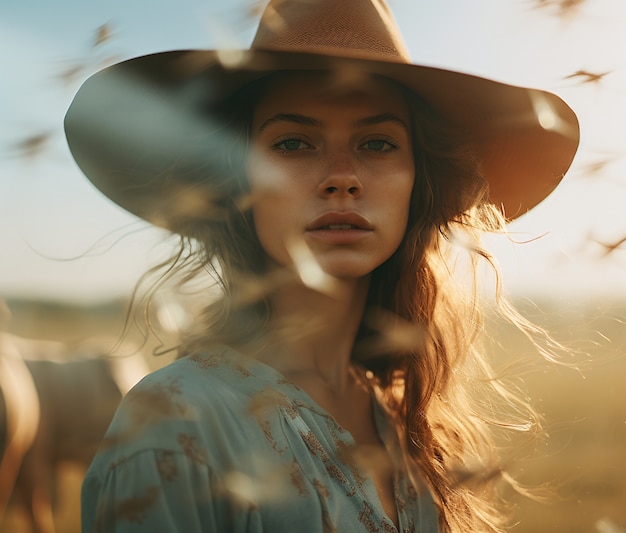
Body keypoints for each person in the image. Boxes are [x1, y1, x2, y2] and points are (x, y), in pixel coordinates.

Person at [64, 1, 579, 531]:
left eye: (377, 143)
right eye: (292, 142)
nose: (341, 177)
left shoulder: (409, 424)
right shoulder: (177, 423)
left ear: (417, 182)